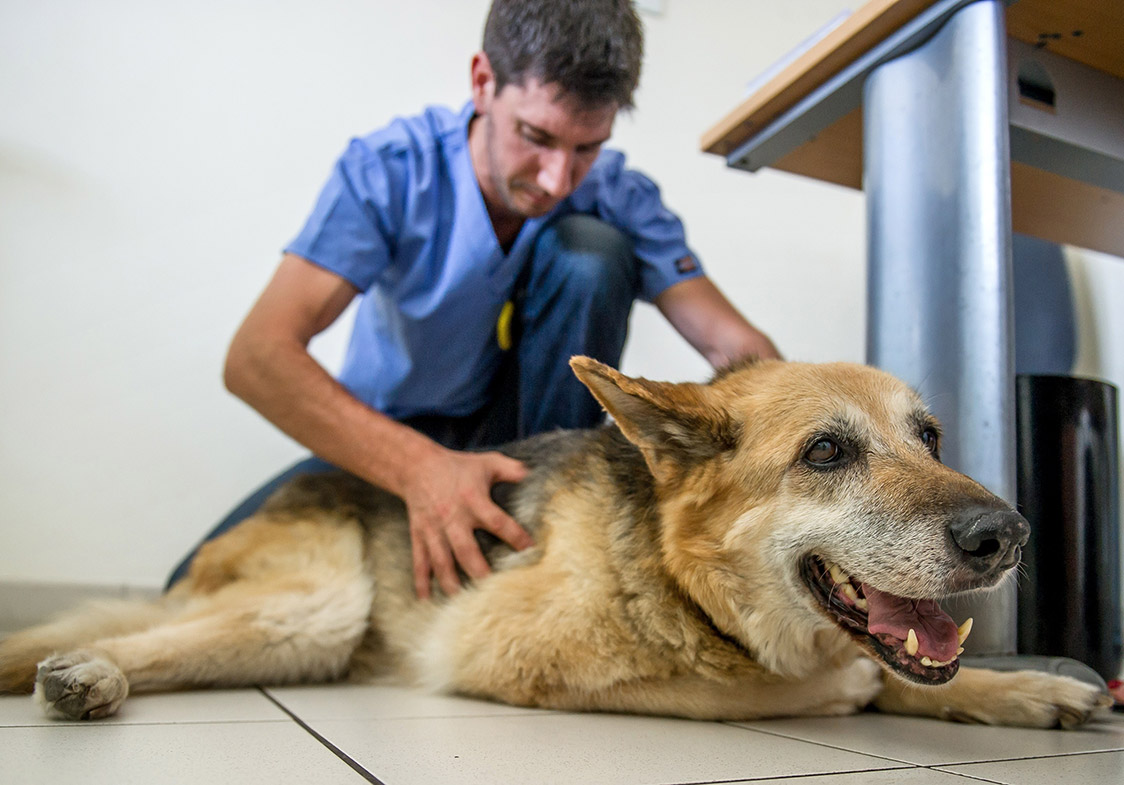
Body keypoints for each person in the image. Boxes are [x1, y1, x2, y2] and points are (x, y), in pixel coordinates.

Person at [167, 0, 780, 598]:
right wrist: (419, 469)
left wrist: (790, 464)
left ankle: (543, 541)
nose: (556, 180)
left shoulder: (619, 195)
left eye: (587, 147)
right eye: (535, 136)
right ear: (483, 82)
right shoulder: (389, 172)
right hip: (390, 438)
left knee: (591, 252)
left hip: (533, 446)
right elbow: (256, 358)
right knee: (187, 586)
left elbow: (741, 353)